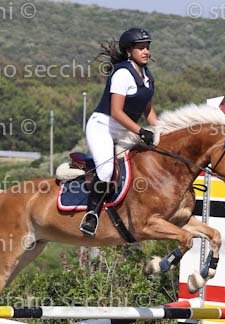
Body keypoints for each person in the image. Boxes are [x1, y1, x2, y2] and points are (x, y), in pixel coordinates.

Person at [80, 27, 158, 236]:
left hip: (125, 130)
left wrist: (161, 130)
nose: (146, 51)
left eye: (147, 47)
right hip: (103, 127)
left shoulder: (147, 76)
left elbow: (148, 109)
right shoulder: (122, 74)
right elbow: (116, 112)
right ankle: (91, 215)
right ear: (129, 51)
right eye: (140, 48)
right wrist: (141, 131)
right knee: (106, 170)